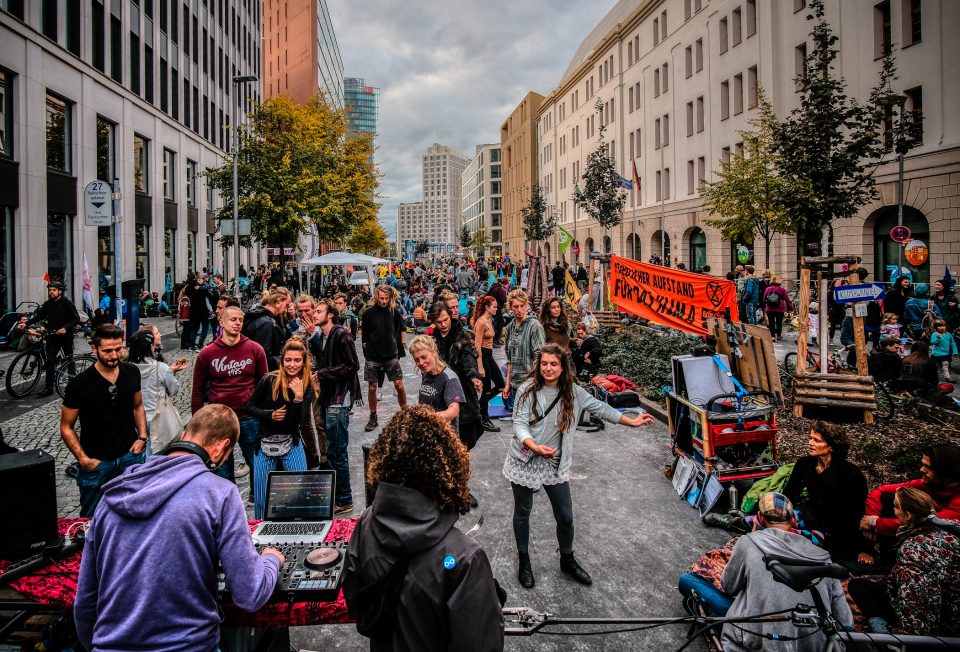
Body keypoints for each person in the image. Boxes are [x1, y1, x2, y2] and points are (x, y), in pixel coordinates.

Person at [74, 404, 285, 652]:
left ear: (185, 434)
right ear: (220, 448)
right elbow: (250, 593)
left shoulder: (113, 495)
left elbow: (86, 601)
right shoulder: (220, 493)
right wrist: (271, 559)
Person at [342, 406, 504, 651]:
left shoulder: (366, 521)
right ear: (447, 465)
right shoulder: (464, 557)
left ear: (386, 458)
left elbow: (355, 600)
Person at [503, 344, 654, 588]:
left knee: (565, 516)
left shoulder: (573, 392)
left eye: (554, 364)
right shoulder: (527, 390)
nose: (548, 368)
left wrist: (631, 422)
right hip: (525, 460)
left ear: (563, 367)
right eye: (544, 364)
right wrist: (533, 445)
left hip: (555, 463)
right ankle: (524, 560)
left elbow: (601, 408)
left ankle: (567, 559)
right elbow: (519, 423)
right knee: (523, 511)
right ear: (538, 366)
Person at [720, 492, 853, 651]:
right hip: (815, 645)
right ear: (794, 520)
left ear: (760, 518)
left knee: (690, 581)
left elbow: (728, 586)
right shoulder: (822, 557)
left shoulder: (748, 541)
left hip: (757, 640)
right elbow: (844, 621)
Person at [60, 324, 148, 517]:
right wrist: (83, 459)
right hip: (97, 462)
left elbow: (138, 406)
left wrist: (142, 437)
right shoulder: (80, 384)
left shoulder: (132, 372)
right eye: (107, 351)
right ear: (94, 348)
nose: (114, 355)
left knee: (133, 512)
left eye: (119, 349)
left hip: (130, 457)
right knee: (93, 517)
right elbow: (66, 426)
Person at [849, 487, 960, 636]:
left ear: (907, 516)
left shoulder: (911, 550)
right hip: (950, 605)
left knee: (860, 589)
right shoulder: (950, 530)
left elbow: (917, 607)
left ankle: (882, 628)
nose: (893, 511)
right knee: (858, 584)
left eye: (895, 507)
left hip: (943, 623)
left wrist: (906, 636)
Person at [192, 305, 269, 484]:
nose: (237, 323)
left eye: (240, 320)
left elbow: (264, 385)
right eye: (233, 319)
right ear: (222, 321)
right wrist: (196, 424)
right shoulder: (207, 353)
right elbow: (197, 391)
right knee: (221, 470)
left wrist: (264, 415)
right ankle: (228, 507)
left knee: (257, 464)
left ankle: (256, 500)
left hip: (249, 417)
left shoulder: (255, 349)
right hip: (219, 420)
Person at [245, 339, 318, 518]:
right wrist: (269, 415)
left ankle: (298, 532)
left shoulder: (306, 385)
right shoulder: (269, 380)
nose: (292, 365)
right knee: (262, 500)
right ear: (282, 360)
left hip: (291, 443)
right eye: (288, 360)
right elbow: (249, 407)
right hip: (264, 444)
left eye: (297, 360)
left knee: (299, 495)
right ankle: (261, 538)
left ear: (304, 362)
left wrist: (298, 397)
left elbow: (296, 423)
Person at [780, 421, 869, 562]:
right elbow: (789, 494)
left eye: (817, 440)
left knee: (785, 535)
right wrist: (784, 514)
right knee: (767, 520)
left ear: (832, 446)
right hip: (810, 515)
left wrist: (863, 548)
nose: (810, 443)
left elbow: (858, 512)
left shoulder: (850, 473)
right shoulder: (805, 464)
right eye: (810, 438)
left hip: (836, 528)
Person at [860, 443, 960, 564]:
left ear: (946, 472)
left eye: (927, 467)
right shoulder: (932, 483)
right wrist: (872, 518)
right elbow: (880, 491)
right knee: (890, 498)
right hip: (918, 539)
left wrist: (874, 523)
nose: (921, 470)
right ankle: (887, 561)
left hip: (942, 553)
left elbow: (926, 524)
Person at [311, 298, 362, 515]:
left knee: (338, 451)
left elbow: (353, 365)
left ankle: (345, 498)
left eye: (319, 311)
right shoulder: (323, 337)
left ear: (330, 314)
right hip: (328, 397)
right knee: (331, 450)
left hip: (340, 400)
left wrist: (323, 374)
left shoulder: (341, 334)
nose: (314, 314)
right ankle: (336, 496)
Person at [429, 303, 484, 449]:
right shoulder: (431, 339)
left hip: (461, 389)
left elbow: (468, 358)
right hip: (440, 391)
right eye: (439, 322)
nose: (443, 324)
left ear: (450, 316)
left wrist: (474, 376)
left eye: (445, 320)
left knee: (465, 438)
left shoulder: (462, 336)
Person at [127, 328, 187, 455]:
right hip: (156, 417)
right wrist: (171, 373)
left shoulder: (127, 368)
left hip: (134, 418)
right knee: (156, 451)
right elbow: (173, 390)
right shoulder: (161, 368)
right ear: (151, 347)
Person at [360, 285, 407, 432]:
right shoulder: (368, 314)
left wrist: (400, 347)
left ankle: (405, 415)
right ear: (376, 297)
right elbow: (364, 336)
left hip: (391, 355)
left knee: (399, 385)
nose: (384, 301)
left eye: (387, 298)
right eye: (381, 298)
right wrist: (367, 353)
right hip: (373, 356)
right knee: (372, 387)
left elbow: (401, 329)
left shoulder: (394, 312)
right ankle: (373, 416)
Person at [30, 280, 81, 397]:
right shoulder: (47, 304)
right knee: (49, 361)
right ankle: (48, 388)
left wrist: (65, 328)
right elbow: (39, 316)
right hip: (52, 337)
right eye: (50, 290)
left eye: (54, 290)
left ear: (60, 291)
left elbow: (76, 319)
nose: (51, 292)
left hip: (65, 336)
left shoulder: (67, 303)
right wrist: (26, 323)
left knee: (69, 359)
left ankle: (72, 384)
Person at [502, 289, 545, 413]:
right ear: (510, 307)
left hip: (530, 383)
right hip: (515, 384)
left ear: (526, 305)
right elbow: (509, 359)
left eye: (522, 306)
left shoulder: (534, 326)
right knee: (517, 421)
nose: (519, 310)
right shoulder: (510, 327)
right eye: (515, 306)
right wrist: (507, 384)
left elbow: (540, 356)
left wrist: (533, 382)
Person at [410, 335, 465, 431]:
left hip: (444, 436)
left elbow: (454, 411)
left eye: (424, 357)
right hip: (428, 431)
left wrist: (428, 417)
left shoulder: (449, 378)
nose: (421, 363)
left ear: (434, 353)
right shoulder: (427, 373)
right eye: (417, 360)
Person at [472, 295, 504, 432]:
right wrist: (479, 366)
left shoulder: (489, 320)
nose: (497, 309)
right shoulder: (480, 323)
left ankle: (478, 406)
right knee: (486, 389)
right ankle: (484, 419)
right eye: (494, 307)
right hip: (483, 356)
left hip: (489, 355)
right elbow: (477, 346)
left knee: (501, 385)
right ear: (487, 307)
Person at [243, 285, 292, 370]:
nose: (285, 310)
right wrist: (284, 359)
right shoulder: (266, 323)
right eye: (286, 305)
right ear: (278, 301)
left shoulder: (259, 316)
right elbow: (263, 357)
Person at [762, 275, 792, 341]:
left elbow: (764, 299)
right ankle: (778, 335)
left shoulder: (768, 289)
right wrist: (790, 308)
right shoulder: (782, 289)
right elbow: (787, 299)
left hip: (770, 308)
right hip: (780, 308)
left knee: (771, 322)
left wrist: (764, 305)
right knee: (779, 322)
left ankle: (772, 336)